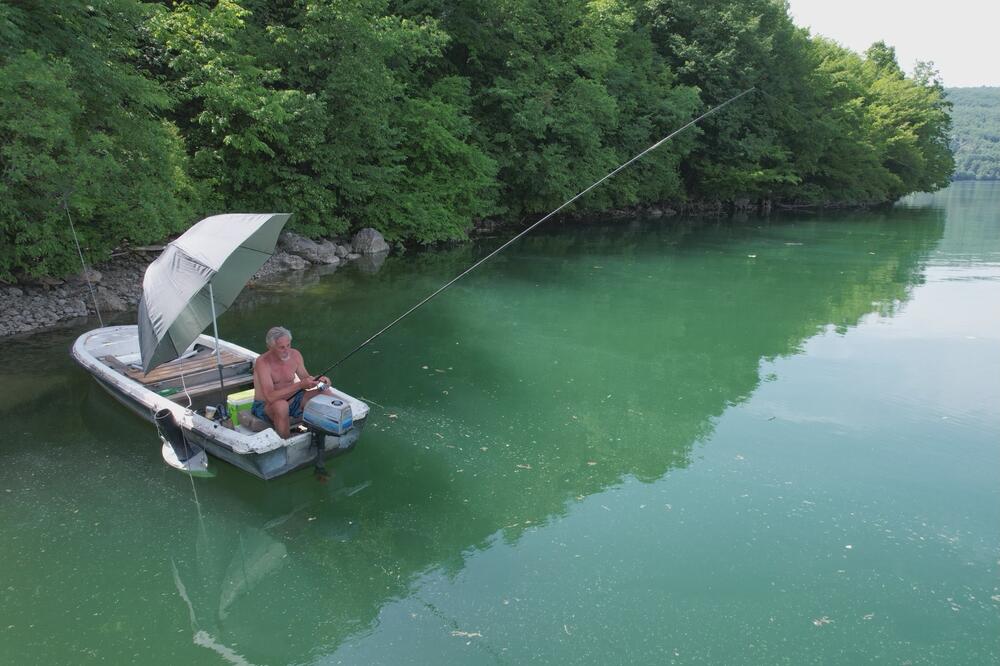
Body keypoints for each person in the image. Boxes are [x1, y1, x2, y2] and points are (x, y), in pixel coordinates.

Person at [252, 326, 332, 439]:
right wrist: (299, 385)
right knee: (281, 405)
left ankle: (322, 430)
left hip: (294, 399)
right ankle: (286, 442)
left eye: (288, 345)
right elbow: (270, 397)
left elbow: (306, 379)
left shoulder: (295, 355)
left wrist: (322, 382)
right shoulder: (262, 362)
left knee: (326, 393)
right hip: (266, 406)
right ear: (270, 347)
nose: (287, 350)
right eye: (281, 347)